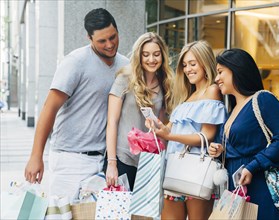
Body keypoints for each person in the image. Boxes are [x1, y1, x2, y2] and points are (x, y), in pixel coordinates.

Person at [24, 8, 129, 200]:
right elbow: (50, 108)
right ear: (89, 38)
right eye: (102, 41)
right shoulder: (75, 62)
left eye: (113, 37)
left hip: (103, 161)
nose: (110, 44)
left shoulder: (126, 66)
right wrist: (35, 156)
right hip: (70, 159)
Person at [208, 48, 279, 220]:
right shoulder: (232, 109)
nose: (216, 78)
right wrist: (219, 151)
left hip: (262, 187)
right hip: (237, 189)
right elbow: (238, 148)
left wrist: (253, 166)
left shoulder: (262, 99)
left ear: (237, 70)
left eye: (220, 72)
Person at [146, 40, 227, 219]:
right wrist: (155, 124)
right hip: (174, 167)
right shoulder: (187, 95)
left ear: (205, 63)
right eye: (184, 65)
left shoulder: (212, 90)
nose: (188, 69)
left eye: (193, 63)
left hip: (196, 168)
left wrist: (171, 136)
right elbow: (170, 129)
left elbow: (206, 135)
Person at [104, 32, 174, 190]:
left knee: (143, 214)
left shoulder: (164, 83)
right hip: (123, 158)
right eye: (146, 55)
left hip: (149, 161)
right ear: (139, 56)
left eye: (156, 54)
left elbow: (161, 127)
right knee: (120, 212)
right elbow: (112, 122)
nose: (151, 59)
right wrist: (111, 163)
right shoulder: (124, 79)